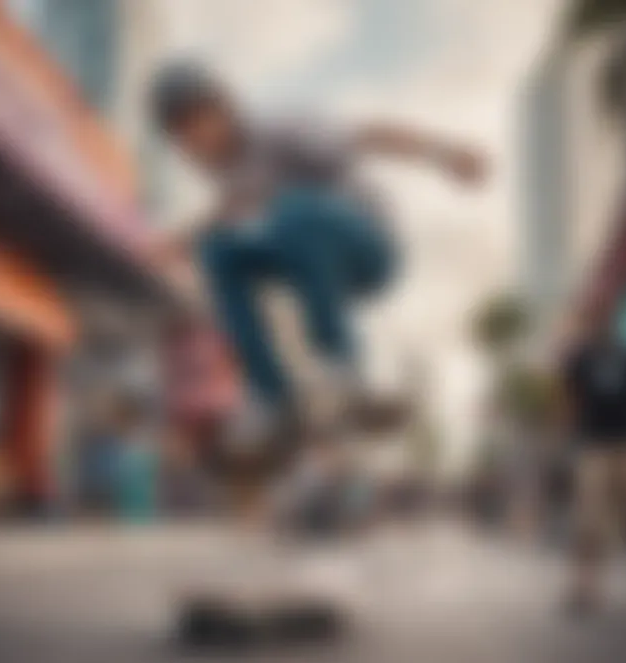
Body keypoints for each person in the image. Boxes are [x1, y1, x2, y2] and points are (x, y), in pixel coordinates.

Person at [149, 61, 487, 454]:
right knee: (218, 251)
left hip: (370, 247)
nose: (196, 142)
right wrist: (180, 240)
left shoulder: (279, 129)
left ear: (225, 108)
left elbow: (368, 135)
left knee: (293, 210)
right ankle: (270, 396)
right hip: (309, 258)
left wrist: (444, 153)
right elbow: (230, 206)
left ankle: (342, 367)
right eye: (183, 137)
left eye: (199, 122)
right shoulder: (226, 169)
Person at [561, 306, 626, 613]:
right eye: (593, 318)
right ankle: (585, 588)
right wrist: (568, 436)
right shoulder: (580, 358)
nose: (599, 323)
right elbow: (568, 397)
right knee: (589, 519)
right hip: (594, 445)